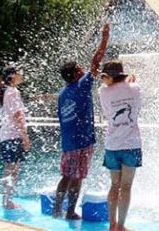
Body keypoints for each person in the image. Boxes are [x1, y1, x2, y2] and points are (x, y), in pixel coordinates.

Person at [53, 23, 110, 220]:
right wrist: (104, 38)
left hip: (69, 143)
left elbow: (61, 119)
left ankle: (58, 210)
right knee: (76, 178)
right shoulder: (82, 85)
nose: (83, 69)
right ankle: (68, 212)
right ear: (77, 72)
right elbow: (96, 61)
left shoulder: (62, 94)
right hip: (83, 142)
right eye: (80, 68)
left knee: (68, 176)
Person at [99, 60, 142, 231]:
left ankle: (112, 225)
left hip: (112, 146)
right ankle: (121, 226)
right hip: (131, 145)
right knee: (126, 187)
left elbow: (107, 113)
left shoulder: (102, 91)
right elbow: (137, 109)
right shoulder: (136, 88)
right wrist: (130, 84)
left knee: (114, 185)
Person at [0, 66, 30, 210]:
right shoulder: (13, 91)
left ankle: (6, 199)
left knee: (9, 168)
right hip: (14, 136)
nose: (21, 75)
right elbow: (17, 115)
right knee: (13, 169)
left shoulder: (7, 91)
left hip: (6, 135)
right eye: (19, 73)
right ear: (12, 76)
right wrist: (25, 137)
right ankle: (7, 201)